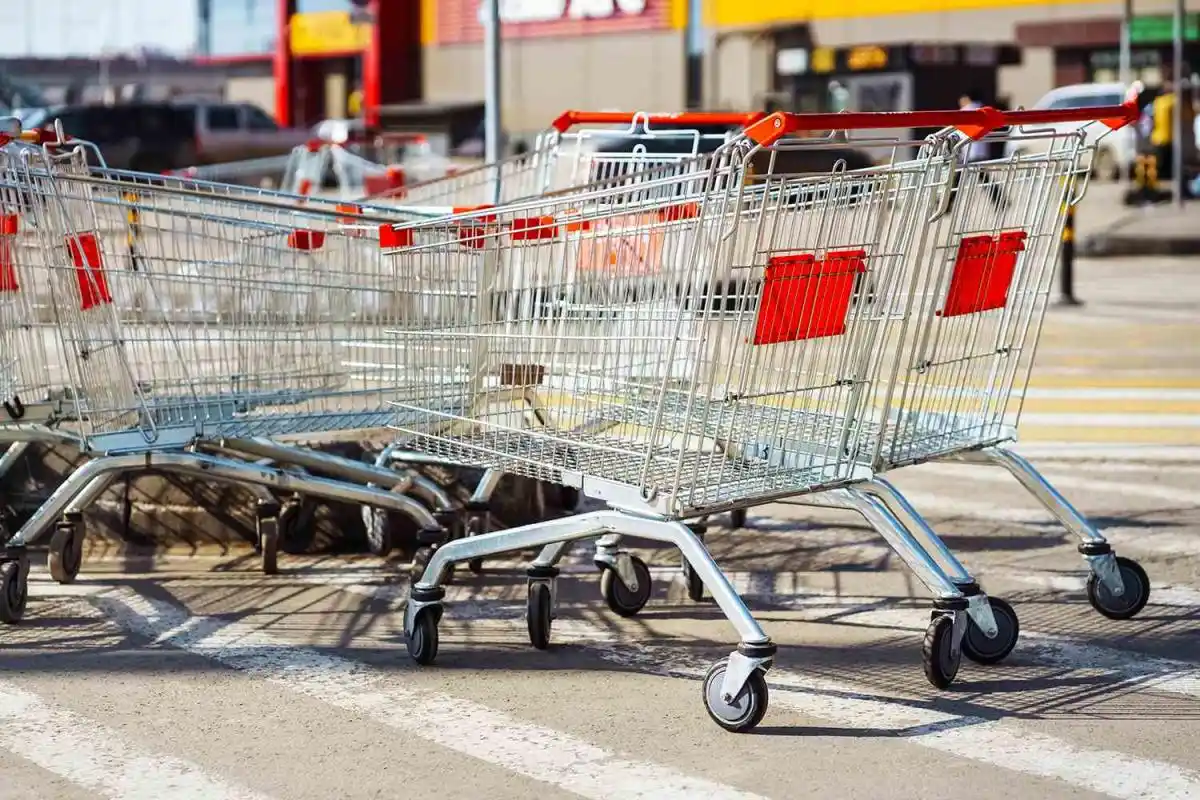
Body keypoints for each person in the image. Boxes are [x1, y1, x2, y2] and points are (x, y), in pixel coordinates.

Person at [957, 89, 1005, 209]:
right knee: (985, 180)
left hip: (969, 153)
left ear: (967, 98)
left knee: (957, 180)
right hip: (981, 151)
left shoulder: (966, 111)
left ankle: (946, 205)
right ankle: (1001, 201)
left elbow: (959, 132)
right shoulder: (983, 110)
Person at [1150, 79, 1176, 181]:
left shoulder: (1157, 102)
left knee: (1160, 164)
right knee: (1167, 164)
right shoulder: (1170, 100)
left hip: (1157, 137)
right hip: (1167, 138)